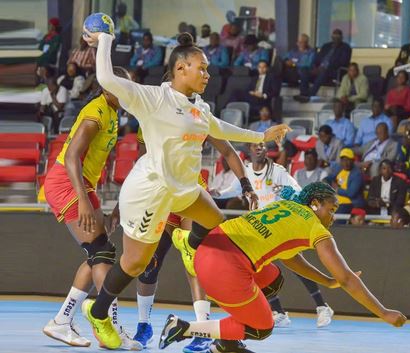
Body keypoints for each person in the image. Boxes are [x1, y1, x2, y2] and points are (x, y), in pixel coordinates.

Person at [80, 30, 289, 349]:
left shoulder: (200, 108)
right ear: (180, 69)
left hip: (185, 190)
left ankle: (190, 243)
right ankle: (98, 312)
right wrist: (105, 40)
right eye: (201, 67)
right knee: (135, 265)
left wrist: (261, 137)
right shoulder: (153, 99)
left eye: (207, 68)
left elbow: (222, 129)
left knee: (216, 221)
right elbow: (106, 77)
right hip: (151, 193)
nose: (208, 73)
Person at [160, 182, 406, 353]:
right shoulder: (316, 229)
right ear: (315, 203)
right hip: (223, 269)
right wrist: (383, 312)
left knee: (274, 279)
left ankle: (227, 344)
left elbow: (290, 259)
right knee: (261, 328)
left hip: (210, 249)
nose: (332, 218)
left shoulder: (284, 206)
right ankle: (184, 329)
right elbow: (348, 279)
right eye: (331, 210)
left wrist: (327, 281)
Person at [42, 67, 142, 350]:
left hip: (84, 185)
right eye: (122, 85)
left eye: (129, 86)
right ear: (107, 86)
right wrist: (84, 201)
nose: (127, 91)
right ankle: (108, 327)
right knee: (102, 255)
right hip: (68, 183)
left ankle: (62, 320)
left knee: (98, 253)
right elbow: (72, 156)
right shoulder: (95, 113)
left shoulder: (113, 112)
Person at [134, 130, 258, 352]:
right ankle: (144, 326)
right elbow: (142, 160)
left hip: (192, 196)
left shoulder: (197, 114)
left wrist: (246, 186)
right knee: (149, 264)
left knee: (194, 261)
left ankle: (202, 331)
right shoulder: (147, 115)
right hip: (161, 196)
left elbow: (228, 150)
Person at [211, 143, 335, 330]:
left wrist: (285, 192)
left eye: (262, 145)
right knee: (258, 270)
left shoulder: (277, 171)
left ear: (267, 150)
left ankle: (322, 307)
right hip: (260, 229)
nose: (259, 147)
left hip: (281, 227)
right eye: (255, 145)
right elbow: (234, 190)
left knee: (297, 266)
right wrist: (217, 193)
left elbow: (300, 192)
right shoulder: (245, 171)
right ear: (249, 151)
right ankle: (279, 312)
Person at [294, 29, 351, 103]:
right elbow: (317, 58)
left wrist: (326, 67)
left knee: (324, 72)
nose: (335, 38)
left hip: (334, 71)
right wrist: (314, 67)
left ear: (341, 37)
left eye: (338, 37)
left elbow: (343, 62)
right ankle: (303, 93)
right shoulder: (326, 46)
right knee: (304, 69)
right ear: (331, 37)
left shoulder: (346, 48)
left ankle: (310, 95)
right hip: (319, 69)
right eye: (334, 36)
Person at [326, 148, 365, 214]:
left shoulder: (357, 174)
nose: (346, 163)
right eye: (343, 160)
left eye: (348, 160)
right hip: (336, 201)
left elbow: (351, 193)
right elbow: (329, 178)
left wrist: (336, 189)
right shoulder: (339, 168)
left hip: (350, 203)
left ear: (353, 161)